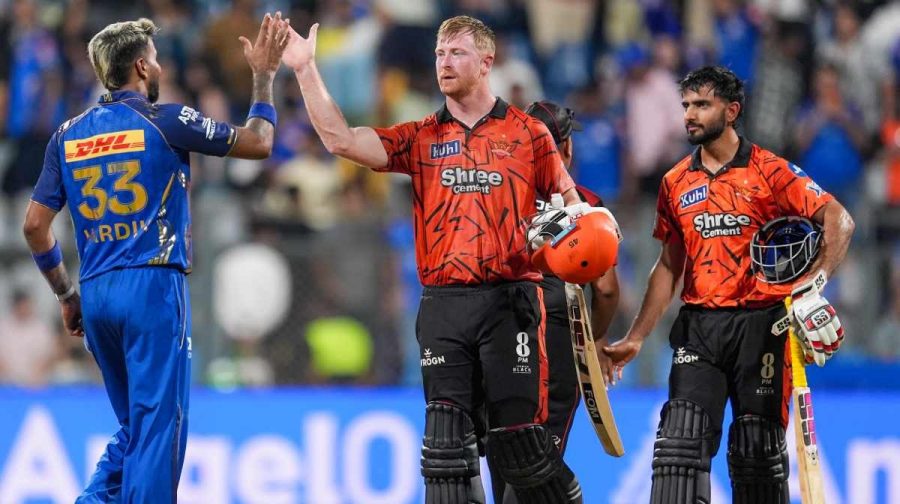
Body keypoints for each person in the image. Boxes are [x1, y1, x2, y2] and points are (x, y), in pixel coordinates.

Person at [282, 15, 584, 504]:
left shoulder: (529, 134)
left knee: (520, 448)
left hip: (511, 304)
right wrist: (304, 69)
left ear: (486, 62)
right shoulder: (420, 137)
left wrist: (545, 236)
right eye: (440, 53)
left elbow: (574, 211)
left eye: (457, 53)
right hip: (444, 307)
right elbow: (340, 139)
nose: (444, 62)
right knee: (444, 452)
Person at [22, 14, 291, 503]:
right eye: (158, 59)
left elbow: (34, 226)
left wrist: (65, 294)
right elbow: (260, 142)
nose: (162, 66)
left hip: (97, 292)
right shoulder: (165, 119)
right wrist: (263, 77)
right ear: (143, 68)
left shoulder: (67, 135)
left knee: (135, 430)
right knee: (159, 430)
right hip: (152, 288)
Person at [603, 66, 855, 503]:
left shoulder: (771, 172)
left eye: (702, 105)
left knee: (757, 460)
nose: (689, 115)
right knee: (676, 453)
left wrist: (814, 285)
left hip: (763, 330)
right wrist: (637, 336)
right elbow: (667, 266)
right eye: (686, 105)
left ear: (732, 110)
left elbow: (839, 219)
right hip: (699, 330)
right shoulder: (675, 182)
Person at [481, 101, 621, 504]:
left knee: (506, 461)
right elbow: (608, 290)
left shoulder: (493, 192)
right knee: (540, 467)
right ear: (568, 149)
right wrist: (594, 345)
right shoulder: (587, 205)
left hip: (501, 334)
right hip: (558, 336)